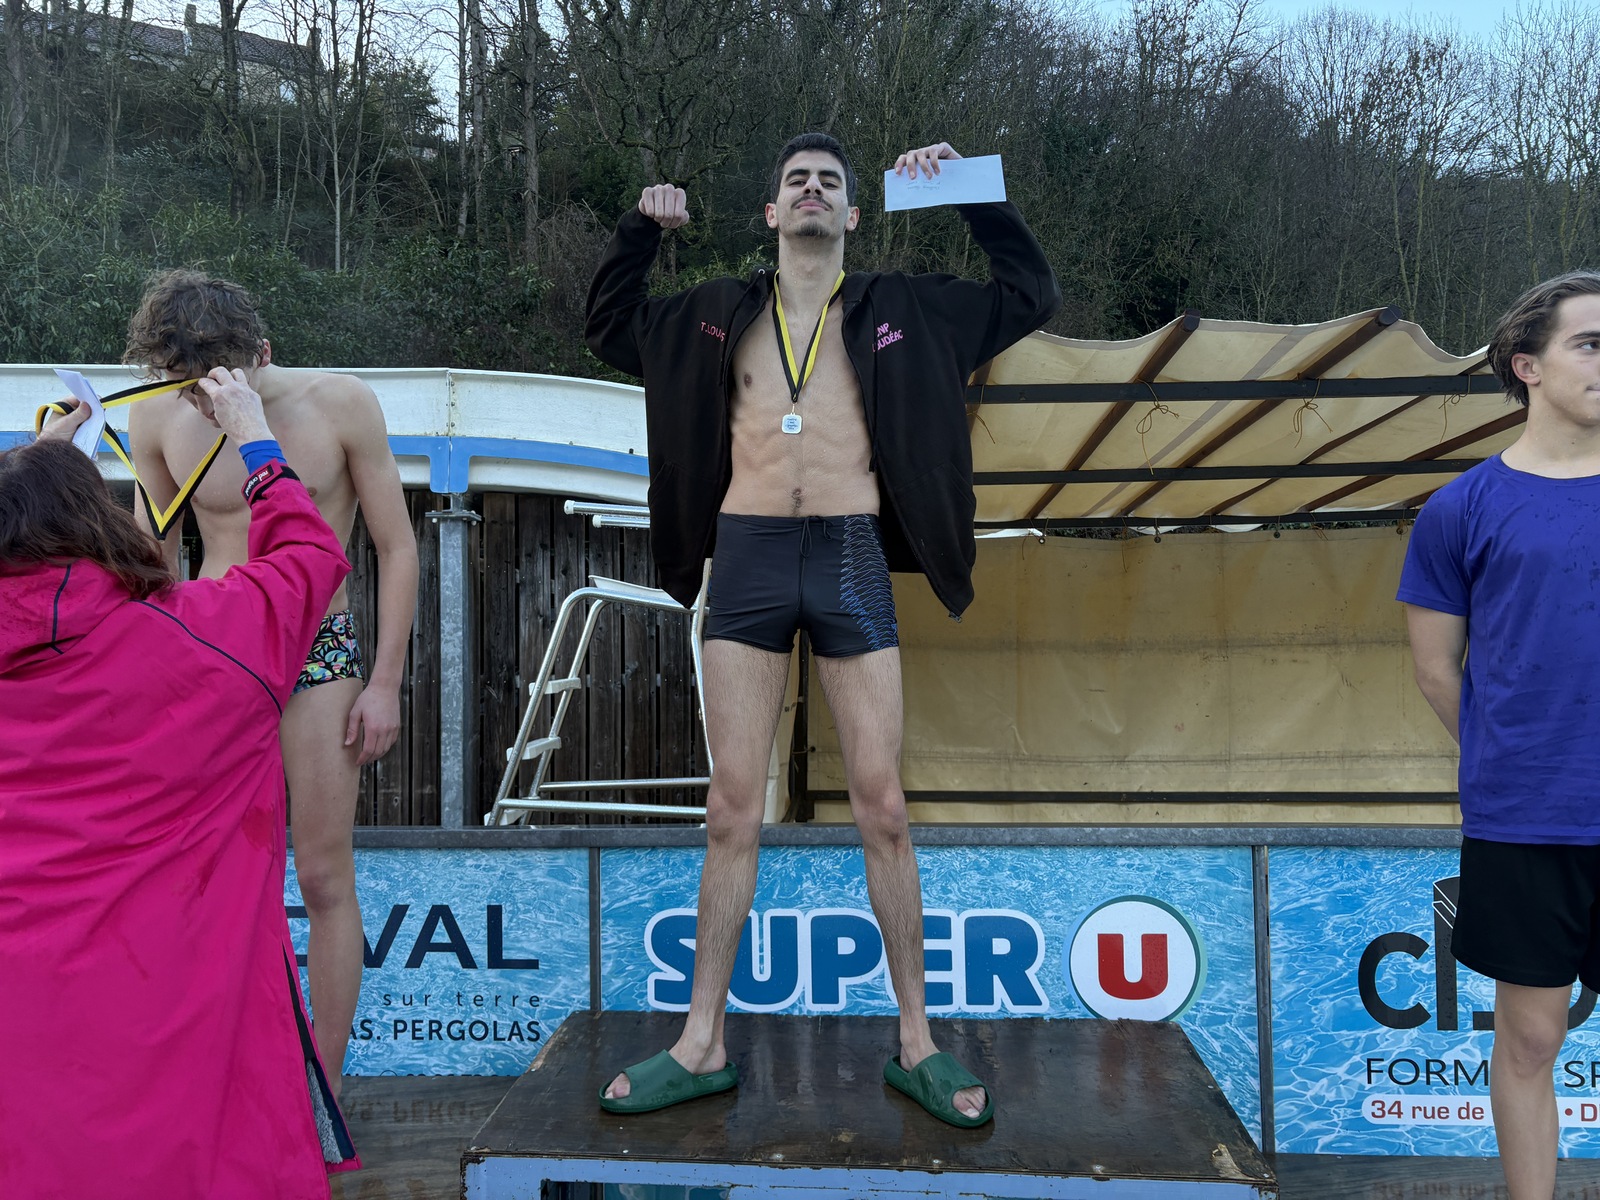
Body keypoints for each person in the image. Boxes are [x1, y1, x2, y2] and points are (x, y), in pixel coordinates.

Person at [585, 133, 1060, 1126]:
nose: (811, 190)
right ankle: (701, 1042)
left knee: (882, 807)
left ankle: (917, 1042)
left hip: (849, 557)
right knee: (731, 808)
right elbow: (609, 326)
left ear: (851, 214)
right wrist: (640, 229)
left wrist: (969, 188)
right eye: (795, 180)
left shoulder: (905, 309)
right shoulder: (717, 312)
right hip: (747, 558)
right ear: (771, 212)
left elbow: (1028, 294)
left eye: (829, 183)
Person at [0, 377, 360, 1198]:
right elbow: (311, 561)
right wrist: (254, 438)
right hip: (182, 1055)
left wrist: (36, 474)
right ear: (96, 522)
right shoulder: (208, 643)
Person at [123, 270, 419, 1093]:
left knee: (322, 874)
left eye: (212, 382)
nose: (200, 399)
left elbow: (396, 547)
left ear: (261, 354)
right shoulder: (157, 414)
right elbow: (153, 564)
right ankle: (202, 1076)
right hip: (214, 650)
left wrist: (385, 683)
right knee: (195, 874)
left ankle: (323, 1091)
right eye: (184, 384)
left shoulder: (341, 404)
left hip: (317, 649)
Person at [1399, 270, 1600, 1198]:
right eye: (1589, 344)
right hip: (1525, 820)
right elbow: (1437, 670)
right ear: (1527, 365)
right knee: (1528, 1038)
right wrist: (1513, 757)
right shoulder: (1459, 509)